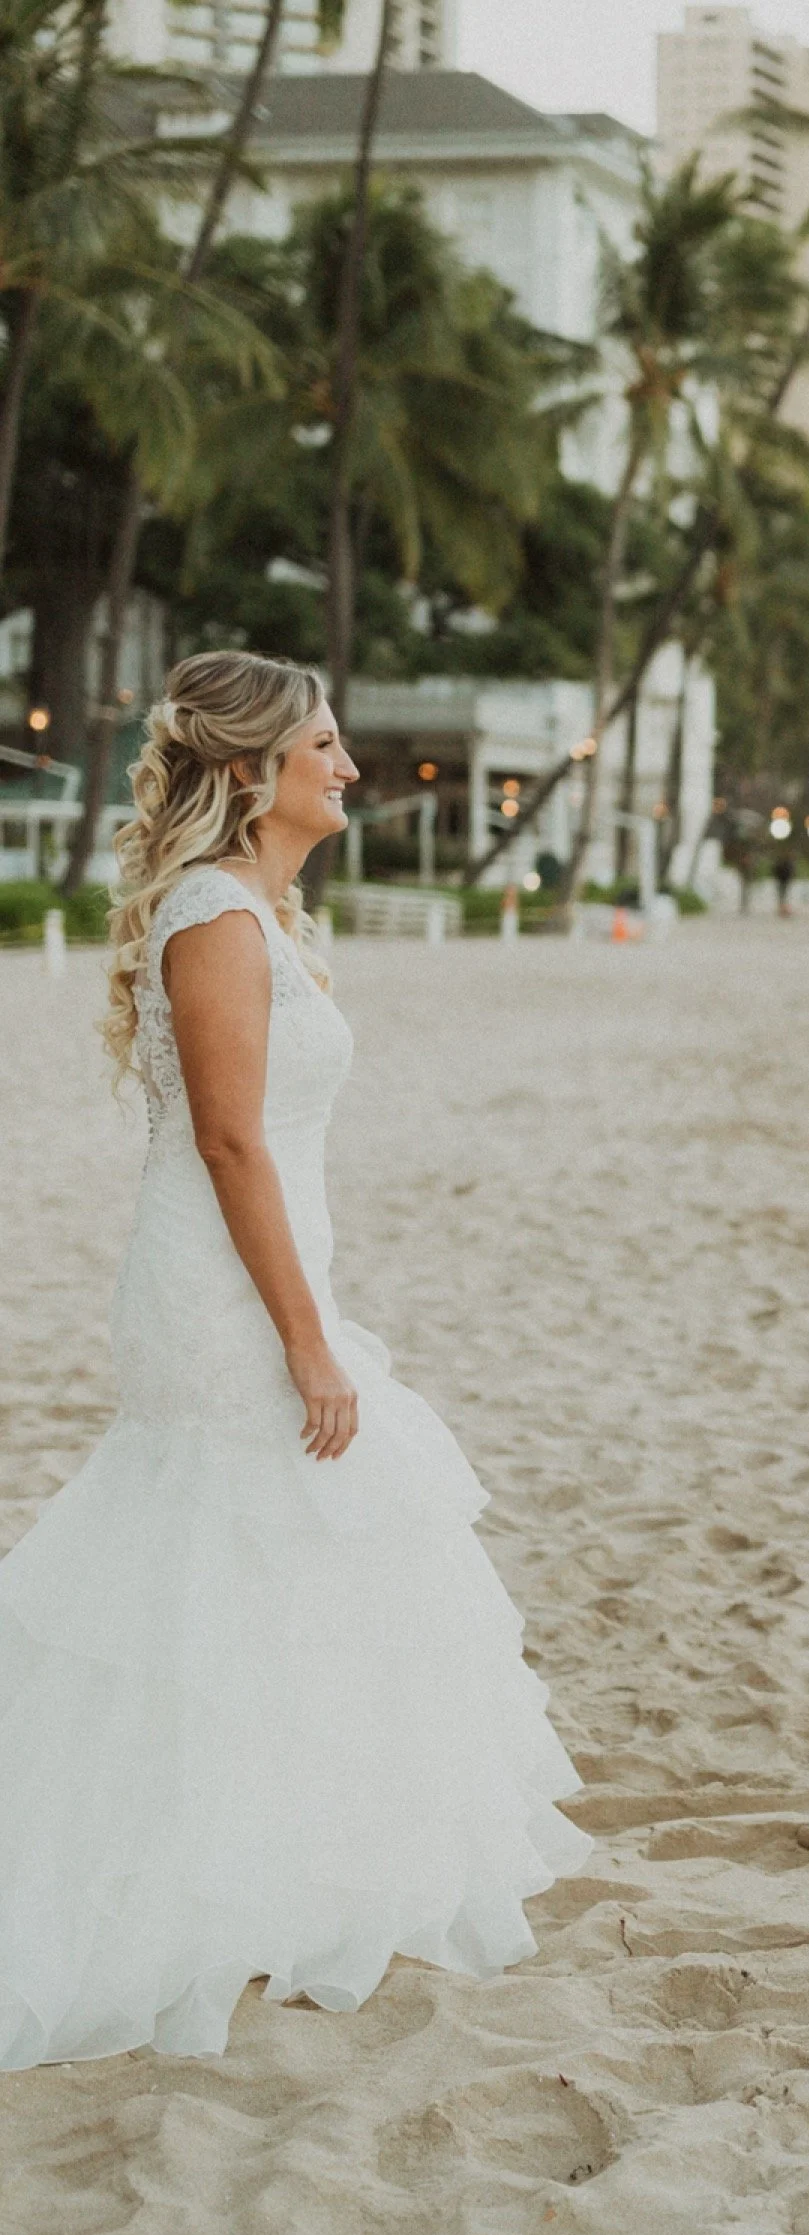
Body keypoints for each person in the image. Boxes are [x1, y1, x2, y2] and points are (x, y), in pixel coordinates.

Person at [0, 653, 591, 2068]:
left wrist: (315, 1310)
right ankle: (168, 1885)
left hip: (269, 1268)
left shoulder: (261, 910)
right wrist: (308, 1338)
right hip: (218, 1290)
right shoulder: (214, 914)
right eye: (325, 744)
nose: (349, 767)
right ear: (252, 769)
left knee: (276, 1555)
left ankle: (268, 1868)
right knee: (218, 1541)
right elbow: (228, 1141)